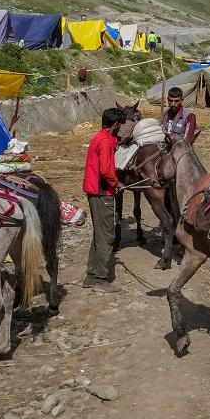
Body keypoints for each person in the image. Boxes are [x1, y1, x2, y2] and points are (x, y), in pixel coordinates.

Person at [83, 107, 126, 292]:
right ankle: (100, 278)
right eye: (120, 126)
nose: (120, 129)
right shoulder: (105, 143)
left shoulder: (100, 137)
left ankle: (91, 275)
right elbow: (106, 170)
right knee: (107, 236)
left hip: (93, 192)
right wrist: (117, 184)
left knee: (99, 234)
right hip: (102, 193)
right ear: (115, 125)